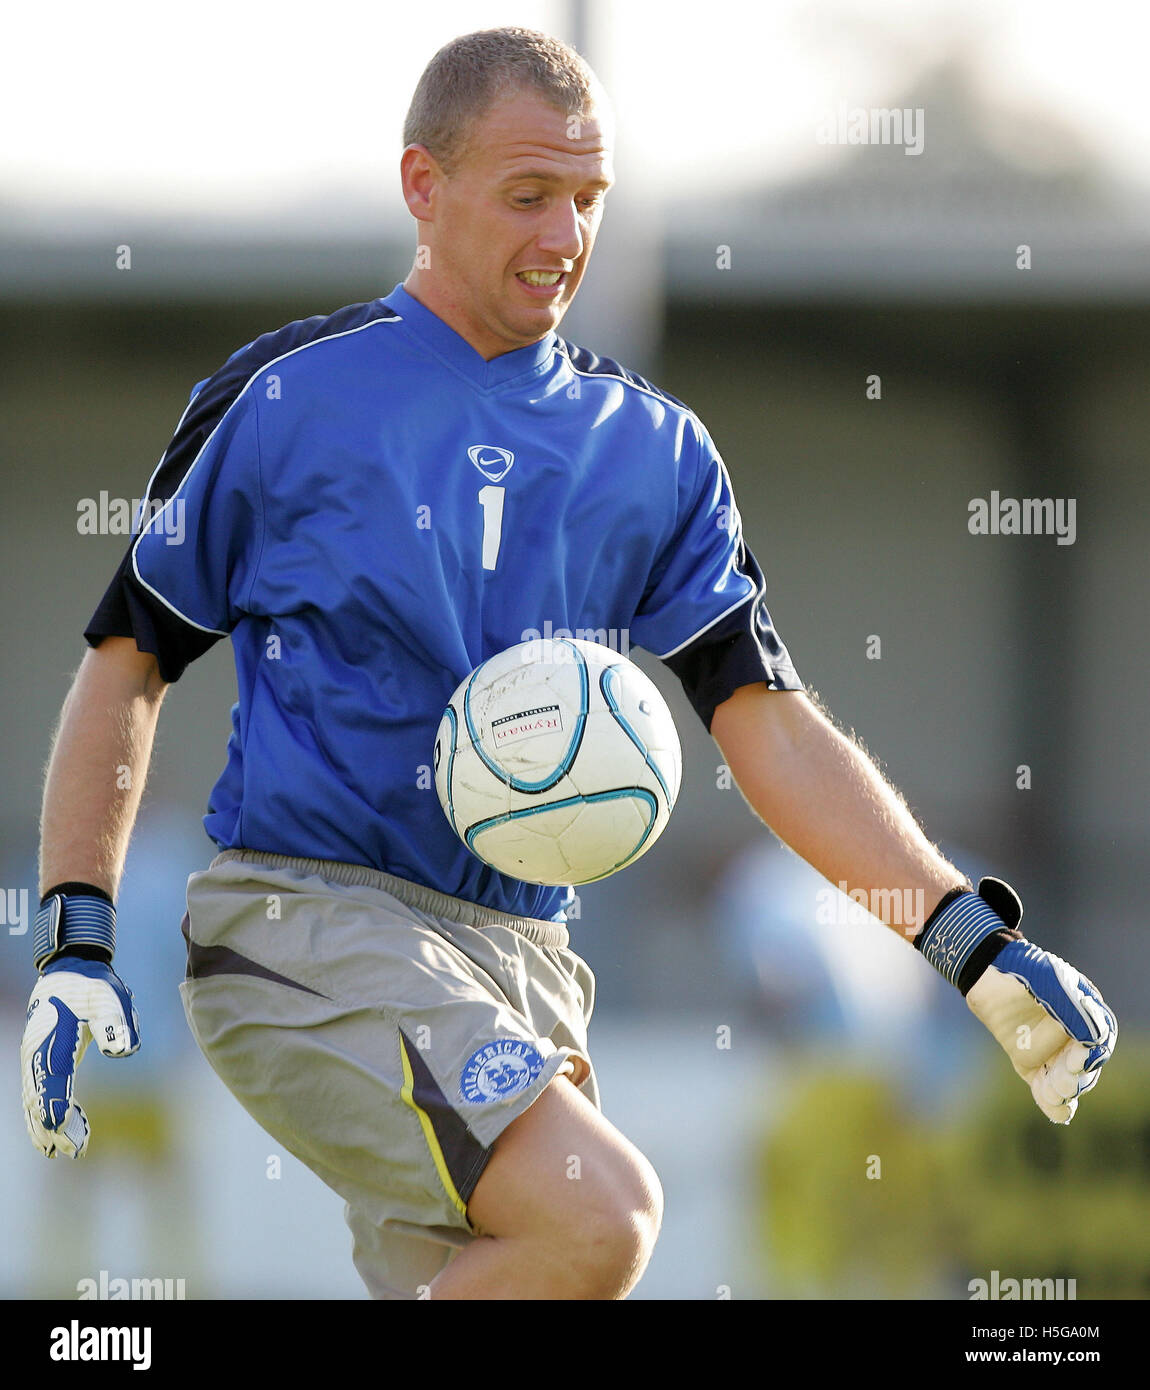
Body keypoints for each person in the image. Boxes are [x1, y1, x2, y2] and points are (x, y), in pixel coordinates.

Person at [20, 26, 1115, 1301]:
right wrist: (73, 940)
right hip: (304, 928)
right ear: (423, 187)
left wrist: (967, 935)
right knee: (601, 1215)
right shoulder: (285, 400)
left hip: (529, 960)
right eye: (528, 194)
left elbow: (766, 720)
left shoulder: (650, 449)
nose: (565, 237)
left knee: (547, 1270)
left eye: (589, 200)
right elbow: (126, 665)